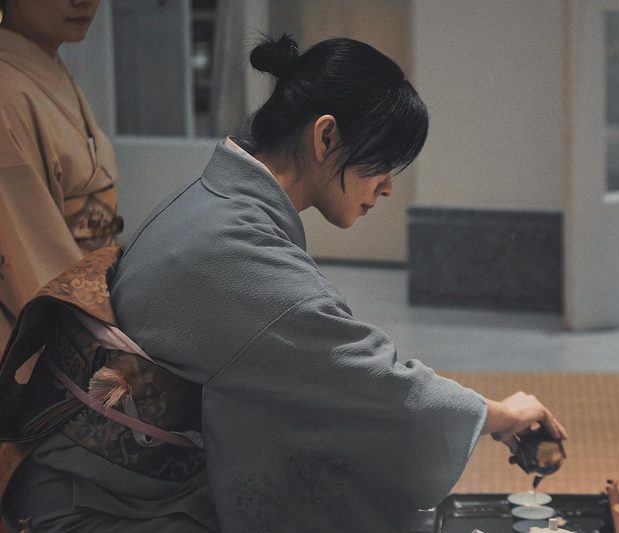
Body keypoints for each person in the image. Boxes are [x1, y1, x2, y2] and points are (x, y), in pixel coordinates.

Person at [1, 35, 566, 532]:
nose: (388, 187)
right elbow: (373, 386)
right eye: (381, 163)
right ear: (325, 138)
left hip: (120, 485)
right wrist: (500, 413)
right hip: (105, 510)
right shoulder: (232, 246)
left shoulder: (218, 203)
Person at [0, 0, 123, 349]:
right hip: (36, 333)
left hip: (91, 296)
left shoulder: (45, 66)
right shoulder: (6, 92)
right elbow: (32, 262)